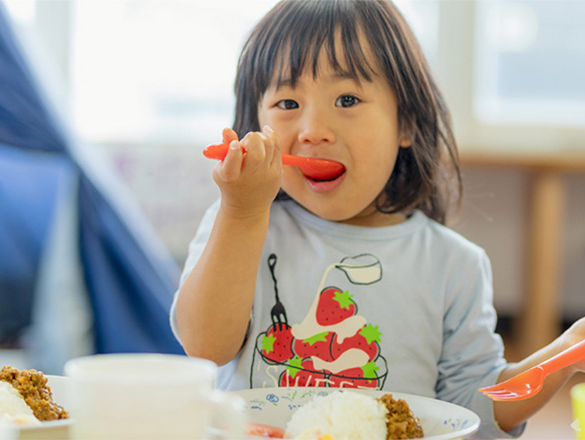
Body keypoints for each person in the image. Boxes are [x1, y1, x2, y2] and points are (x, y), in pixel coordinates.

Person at [169, 0, 585, 437]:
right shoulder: (240, 223)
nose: (312, 129)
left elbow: (476, 411)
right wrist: (242, 209)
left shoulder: (453, 266)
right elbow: (204, 347)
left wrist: (563, 353)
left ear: (405, 122)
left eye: (346, 99)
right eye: (287, 102)